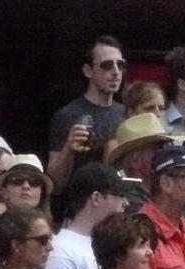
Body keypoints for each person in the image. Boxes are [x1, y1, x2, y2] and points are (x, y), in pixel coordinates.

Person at [48, 35, 128, 190]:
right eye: (107, 65)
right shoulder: (67, 115)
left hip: (120, 202)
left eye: (120, 65)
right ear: (87, 70)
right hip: (80, 205)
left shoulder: (126, 113)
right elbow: (55, 184)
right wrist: (68, 149)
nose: (116, 72)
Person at [109, 113, 173, 209]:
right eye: (158, 149)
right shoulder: (127, 202)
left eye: (166, 147)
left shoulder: (167, 193)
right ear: (135, 161)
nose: (166, 153)